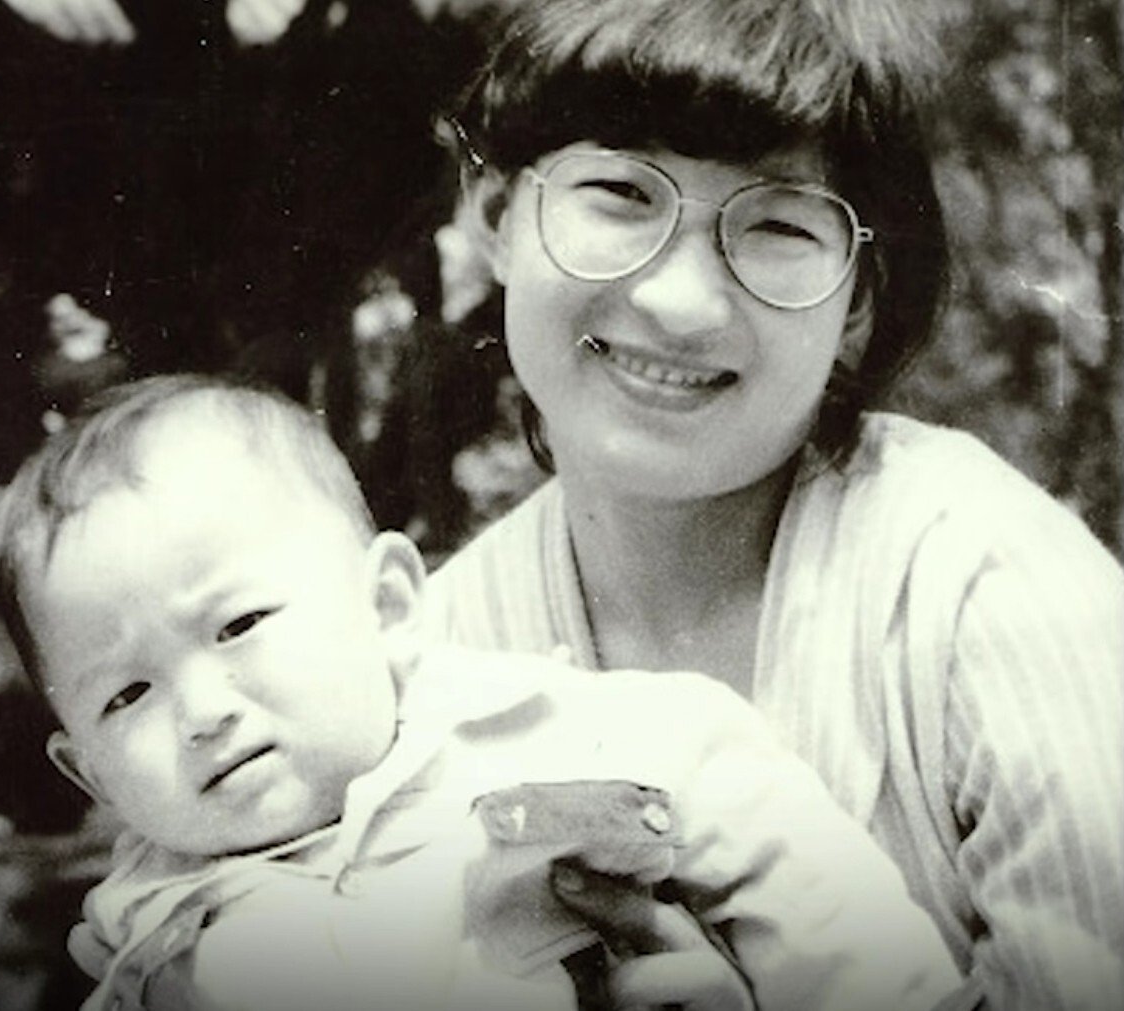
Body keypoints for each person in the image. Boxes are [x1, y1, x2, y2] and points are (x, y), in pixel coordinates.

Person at [424, 1, 1124, 1009]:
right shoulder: (437, 661)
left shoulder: (988, 595)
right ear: (494, 218)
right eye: (620, 193)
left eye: (777, 225)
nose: (678, 300)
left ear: (859, 304)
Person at [0, 373, 961, 1011]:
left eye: (238, 626)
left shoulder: (538, 750)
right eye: (126, 695)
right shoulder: (137, 947)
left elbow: (758, 834)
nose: (201, 711)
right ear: (90, 773)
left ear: (390, 604)